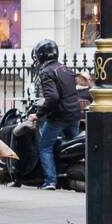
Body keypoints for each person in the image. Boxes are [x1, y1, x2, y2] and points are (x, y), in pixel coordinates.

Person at [29, 39, 83, 190]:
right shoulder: (66, 69)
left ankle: (50, 180)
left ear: (41, 56)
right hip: (74, 114)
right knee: (70, 146)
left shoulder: (46, 72)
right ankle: (71, 174)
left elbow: (52, 98)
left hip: (59, 116)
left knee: (45, 147)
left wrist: (38, 115)